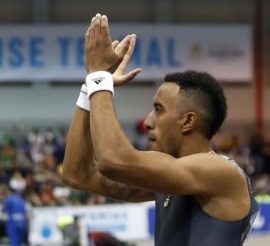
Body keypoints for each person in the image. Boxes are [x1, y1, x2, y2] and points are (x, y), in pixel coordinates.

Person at [62, 13, 259, 245]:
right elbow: (77, 175)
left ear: (188, 122)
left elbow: (112, 160)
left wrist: (99, 78)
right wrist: (89, 88)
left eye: (158, 109)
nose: (147, 122)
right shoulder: (170, 183)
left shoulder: (220, 171)